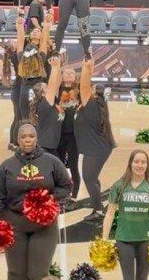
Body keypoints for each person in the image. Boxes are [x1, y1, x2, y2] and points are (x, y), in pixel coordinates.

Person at [0, 123, 72, 280]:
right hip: (15, 225)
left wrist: (45, 199)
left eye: (31, 136)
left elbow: (66, 186)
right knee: (15, 272)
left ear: (36, 138)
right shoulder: (7, 166)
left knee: (38, 274)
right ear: (17, 140)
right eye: (23, 137)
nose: (27, 140)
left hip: (44, 227)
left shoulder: (51, 162)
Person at [101, 149, 149, 280]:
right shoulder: (119, 186)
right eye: (136, 161)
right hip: (124, 240)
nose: (139, 165)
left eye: (143, 162)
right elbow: (109, 214)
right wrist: (104, 238)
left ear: (147, 165)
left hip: (146, 240)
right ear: (130, 163)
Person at [73, 56, 116, 220]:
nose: (88, 88)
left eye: (92, 88)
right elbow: (85, 86)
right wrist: (90, 64)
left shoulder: (91, 105)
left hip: (96, 150)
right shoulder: (98, 104)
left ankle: (98, 211)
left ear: (95, 94)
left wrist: (86, 67)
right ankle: (97, 203)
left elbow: (83, 85)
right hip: (99, 148)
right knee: (93, 178)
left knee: (89, 179)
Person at [14, 13, 52, 134]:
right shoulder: (22, 56)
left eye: (37, 31)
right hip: (25, 90)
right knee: (25, 119)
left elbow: (44, 40)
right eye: (33, 31)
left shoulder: (41, 56)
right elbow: (20, 41)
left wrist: (46, 26)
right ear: (29, 37)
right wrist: (19, 27)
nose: (35, 32)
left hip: (38, 89)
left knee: (39, 118)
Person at [29, 55, 63, 157]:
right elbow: (52, 84)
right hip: (44, 147)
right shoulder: (44, 104)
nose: (50, 88)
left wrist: (57, 66)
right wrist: (53, 67)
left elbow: (57, 83)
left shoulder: (52, 101)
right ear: (42, 94)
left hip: (51, 146)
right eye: (46, 88)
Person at [56, 67, 80, 197]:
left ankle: (74, 196)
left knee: (73, 165)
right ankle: (60, 191)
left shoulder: (80, 91)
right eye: (66, 72)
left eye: (72, 72)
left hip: (73, 135)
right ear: (62, 76)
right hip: (58, 134)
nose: (69, 74)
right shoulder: (57, 90)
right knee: (59, 165)